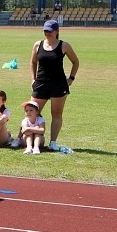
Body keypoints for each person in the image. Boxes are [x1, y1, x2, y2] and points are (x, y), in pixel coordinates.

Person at [30, 20, 80, 153]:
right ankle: (21, 139)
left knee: (56, 114)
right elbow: (33, 62)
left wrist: (71, 78)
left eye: (50, 31)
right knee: (31, 111)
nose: (47, 33)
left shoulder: (64, 46)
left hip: (58, 84)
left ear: (57, 31)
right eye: (45, 31)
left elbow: (75, 62)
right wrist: (33, 79)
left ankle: (53, 142)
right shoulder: (38, 45)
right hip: (41, 83)